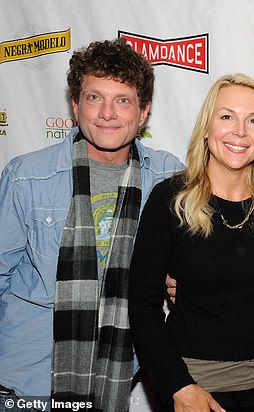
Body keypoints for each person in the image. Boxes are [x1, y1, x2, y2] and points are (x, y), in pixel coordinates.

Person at [0, 38, 184, 411]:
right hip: (26, 382)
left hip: (115, 378)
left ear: (144, 111)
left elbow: (232, 185)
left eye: (123, 100)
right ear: (75, 105)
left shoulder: (168, 177)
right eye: (94, 97)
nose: (107, 113)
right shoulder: (26, 177)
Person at [129, 73, 254, 412]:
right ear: (206, 127)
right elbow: (142, 306)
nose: (240, 131)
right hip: (193, 387)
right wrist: (177, 385)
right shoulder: (169, 200)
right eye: (227, 116)